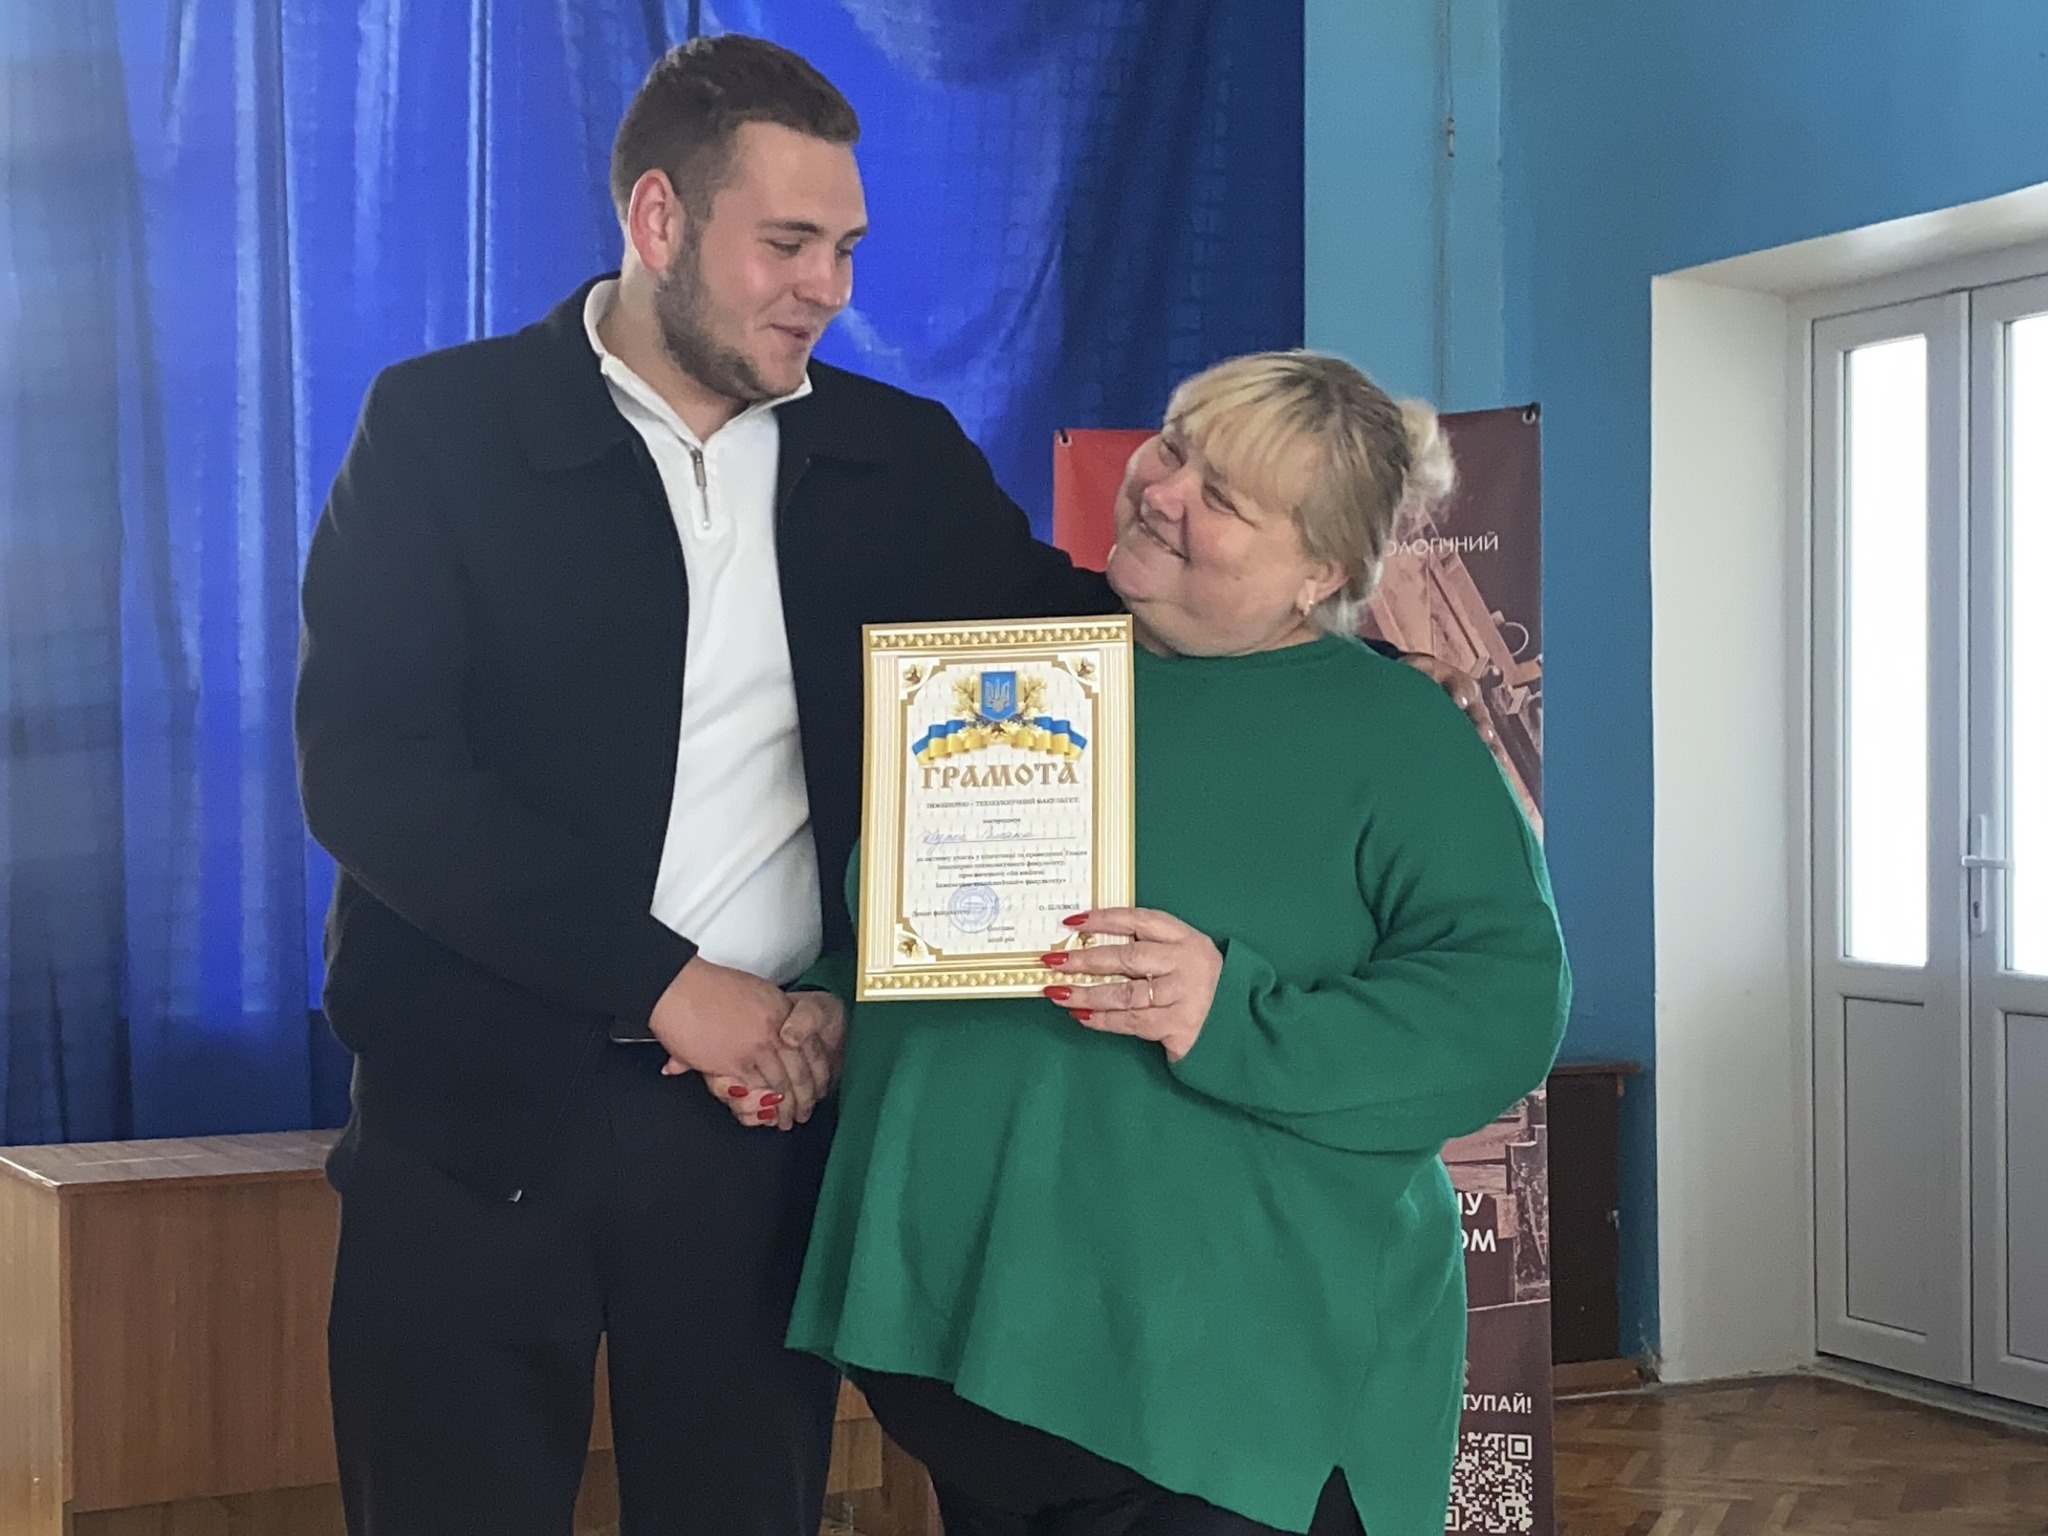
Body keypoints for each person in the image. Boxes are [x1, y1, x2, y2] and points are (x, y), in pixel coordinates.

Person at [297, 31, 1492, 1536]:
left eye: (848, 248)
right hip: (468, 1115)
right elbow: (375, 777)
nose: (828, 287)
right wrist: (665, 985)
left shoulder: (897, 457)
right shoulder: (441, 426)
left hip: (759, 1121)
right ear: (658, 219)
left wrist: (1356, 656)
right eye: (787, 243)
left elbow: (1087, 631)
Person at [770, 352, 1572, 1536]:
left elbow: (1499, 1009)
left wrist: (1228, 1013)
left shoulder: (1398, 733)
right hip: (966, 1354)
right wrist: (833, 1002)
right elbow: (941, 929)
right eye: (1174, 445)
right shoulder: (1014, 679)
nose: (1160, 490)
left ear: (1320, 573)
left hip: (1218, 1391)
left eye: (1223, 496)